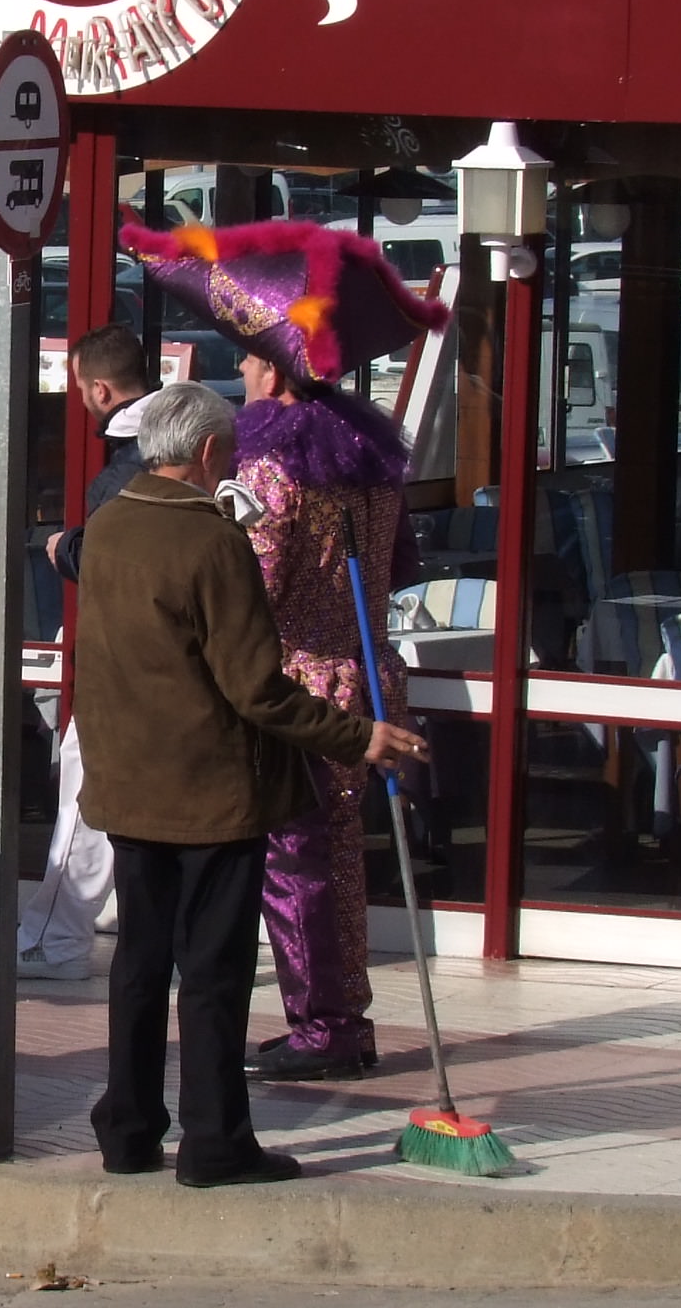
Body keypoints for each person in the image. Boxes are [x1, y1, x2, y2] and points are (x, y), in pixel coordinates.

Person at [72, 382, 427, 1186]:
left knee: (139, 964)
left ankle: (128, 1128)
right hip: (210, 793)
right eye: (228, 451)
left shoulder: (111, 524)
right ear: (206, 453)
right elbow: (258, 690)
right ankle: (215, 1141)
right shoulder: (213, 541)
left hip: (130, 783)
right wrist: (360, 735)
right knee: (212, 973)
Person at [120, 218, 443, 1082]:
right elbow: (398, 565)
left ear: (272, 369)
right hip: (365, 677)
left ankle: (324, 1025)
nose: (245, 374)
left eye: (250, 360)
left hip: (299, 685)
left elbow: (250, 585)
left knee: (296, 862)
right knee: (337, 860)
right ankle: (341, 1016)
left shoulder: (272, 468)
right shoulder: (369, 462)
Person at [24, 323, 156, 978]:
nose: (80, 400)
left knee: (86, 793)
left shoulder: (128, 465)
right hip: (175, 660)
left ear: (101, 390)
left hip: (127, 659)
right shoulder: (195, 441)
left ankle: (55, 940)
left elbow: (119, 559)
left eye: (79, 388)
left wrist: (67, 548)